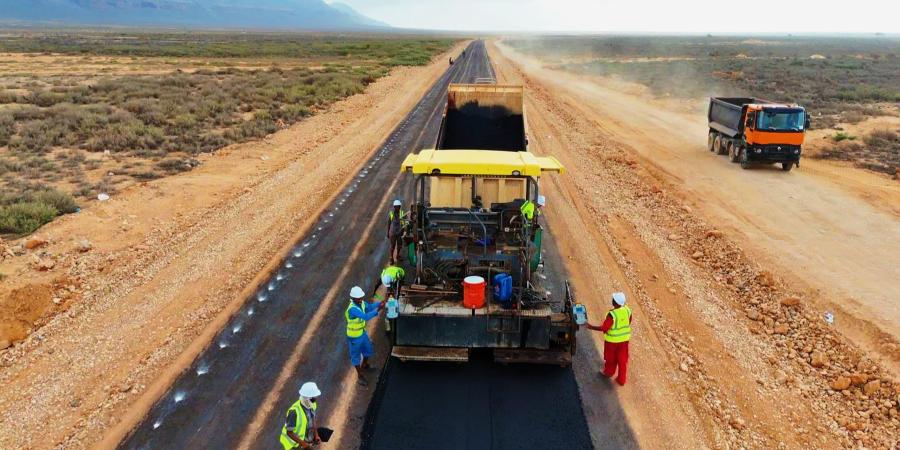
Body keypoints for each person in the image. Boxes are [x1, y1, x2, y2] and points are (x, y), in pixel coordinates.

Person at [585, 292, 632, 386]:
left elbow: (604, 328)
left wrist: (590, 326)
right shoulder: (627, 310)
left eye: (613, 299)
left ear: (616, 303)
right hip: (624, 341)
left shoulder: (612, 315)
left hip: (612, 342)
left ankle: (609, 372)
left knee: (611, 359)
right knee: (622, 361)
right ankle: (621, 380)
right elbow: (629, 321)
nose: (612, 300)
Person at [345, 286, 383, 386]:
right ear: (353, 298)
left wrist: (380, 303)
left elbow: (369, 307)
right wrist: (378, 309)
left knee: (368, 349)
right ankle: (360, 376)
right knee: (356, 356)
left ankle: (365, 365)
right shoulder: (352, 309)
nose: (362, 298)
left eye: (362, 297)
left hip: (362, 333)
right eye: (359, 297)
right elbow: (365, 316)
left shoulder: (361, 303)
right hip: (354, 336)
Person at [280, 382, 321, 449]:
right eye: (313, 399)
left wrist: (316, 435)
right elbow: (289, 433)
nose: (315, 401)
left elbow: (313, 420)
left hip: (305, 441)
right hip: (294, 445)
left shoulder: (312, 405)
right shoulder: (294, 412)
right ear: (306, 398)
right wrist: (303, 444)